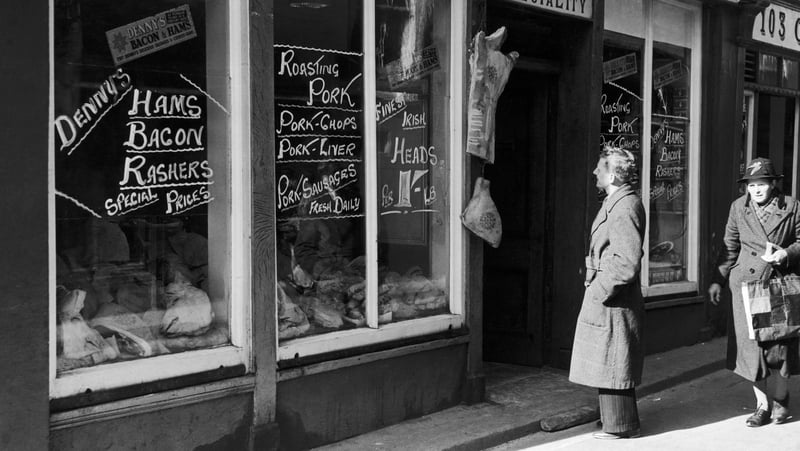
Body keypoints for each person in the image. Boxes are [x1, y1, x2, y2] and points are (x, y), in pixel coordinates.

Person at [708, 157, 800, 427]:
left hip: (778, 284)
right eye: (751, 185)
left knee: (780, 345)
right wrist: (718, 280)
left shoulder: (792, 206)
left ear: (773, 184)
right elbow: (729, 246)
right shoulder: (738, 208)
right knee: (752, 350)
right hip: (747, 287)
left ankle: (782, 397)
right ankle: (762, 406)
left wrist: (785, 254)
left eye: (761, 184)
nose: (756, 190)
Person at [569, 146, 646, 440]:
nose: (594, 172)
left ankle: (621, 425)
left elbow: (626, 263)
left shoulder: (624, 206)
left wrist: (599, 289)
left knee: (614, 359)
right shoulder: (616, 201)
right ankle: (614, 421)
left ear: (612, 174)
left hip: (614, 300)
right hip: (611, 298)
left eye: (599, 168)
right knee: (609, 359)